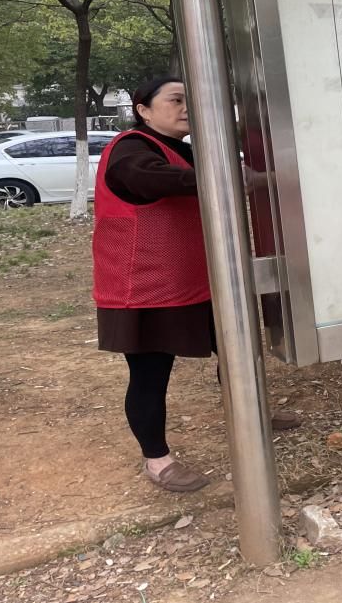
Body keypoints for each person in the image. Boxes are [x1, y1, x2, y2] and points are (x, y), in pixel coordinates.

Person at [93, 76, 298, 493]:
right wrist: (222, 176)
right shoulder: (130, 149)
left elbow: (215, 176)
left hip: (201, 280)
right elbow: (147, 178)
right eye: (175, 99)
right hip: (147, 285)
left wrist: (265, 176)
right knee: (150, 374)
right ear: (143, 109)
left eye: (191, 98)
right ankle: (158, 460)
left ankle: (252, 414)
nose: (186, 107)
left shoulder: (186, 150)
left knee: (238, 350)